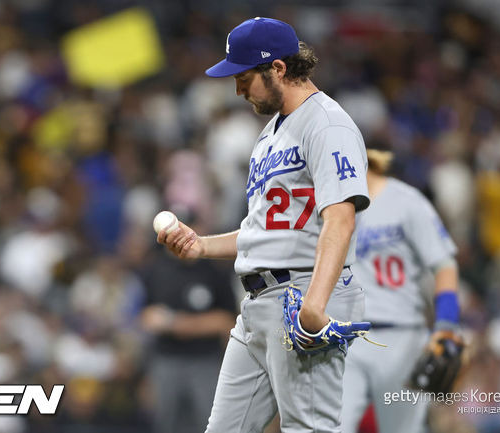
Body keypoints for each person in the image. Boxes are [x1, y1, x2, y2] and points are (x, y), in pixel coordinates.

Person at [157, 17, 371, 433]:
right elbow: (266, 230)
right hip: (257, 305)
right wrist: (201, 245)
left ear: (278, 68)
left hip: (302, 293)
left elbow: (341, 218)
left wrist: (316, 302)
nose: (237, 89)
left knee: (307, 428)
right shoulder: (271, 133)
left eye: (244, 76)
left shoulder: (328, 124)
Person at [340, 146, 460, 433]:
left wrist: (445, 325)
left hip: (402, 337)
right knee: (331, 427)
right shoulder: (331, 208)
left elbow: (444, 266)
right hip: (347, 340)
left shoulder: (406, 202)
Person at [139, 211, 237, 433]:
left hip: (205, 362)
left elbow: (226, 321)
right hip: (166, 360)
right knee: (164, 425)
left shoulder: (214, 269)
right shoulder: (156, 269)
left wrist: (175, 323)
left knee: (210, 425)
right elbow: (145, 317)